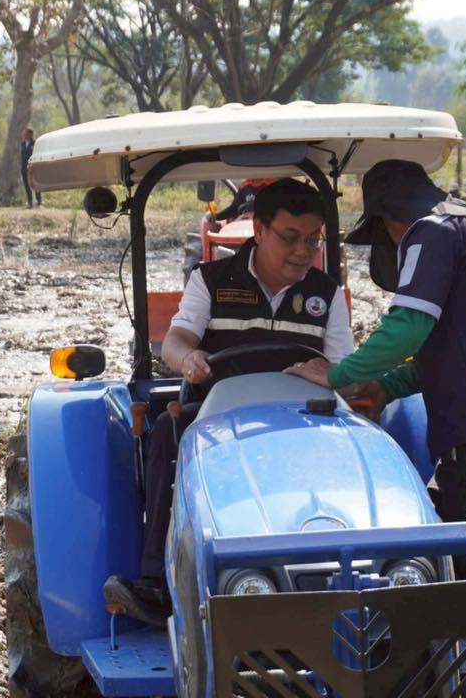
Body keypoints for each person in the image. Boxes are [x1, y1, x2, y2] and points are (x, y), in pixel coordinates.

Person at [287, 159, 466, 698]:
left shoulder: (431, 231)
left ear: (390, 219)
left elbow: (408, 325)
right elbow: (446, 348)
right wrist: (386, 387)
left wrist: (337, 375)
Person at [104, 178, 354, 624]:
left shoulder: (326, 293)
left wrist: (336, 376)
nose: (303, 251)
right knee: (166, 430)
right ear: (259, 231)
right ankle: (158, 581)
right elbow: (177, 340)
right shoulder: (211, 280)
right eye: (290, 238)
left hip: (304, 422)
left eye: (313, 240)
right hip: (220, 417)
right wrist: (188, 358)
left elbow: (344, 369)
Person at [20, 127, 41, 209]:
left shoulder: (35, 143)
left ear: (31, 134)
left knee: (35, 184)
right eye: (24, 134)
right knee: (27, 185)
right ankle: (30, 203)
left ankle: (39, 202)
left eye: (26, 134)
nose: (25, 135)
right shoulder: (22, 144)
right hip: (24, 168)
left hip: (33, 168)